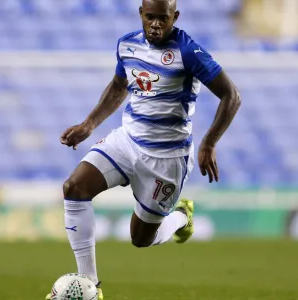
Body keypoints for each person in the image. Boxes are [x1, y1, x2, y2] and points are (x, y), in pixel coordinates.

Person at [46, 0, 241, 299]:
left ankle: (181, 219)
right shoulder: (126, 45)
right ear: (141, 14)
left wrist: (209, 142)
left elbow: (232, 96)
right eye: (150, 17)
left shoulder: (188, 51)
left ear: (174, 17)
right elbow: (117, 86)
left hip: (167, 159)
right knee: (74, 188)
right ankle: (91, 286)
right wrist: (88, 125)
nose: (156, 24)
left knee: (140, 239)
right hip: (127, 141)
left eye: (163, 18)